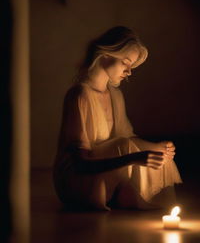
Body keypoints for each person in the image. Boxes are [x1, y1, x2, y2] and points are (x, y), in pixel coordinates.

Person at [53, 26, 182, 211]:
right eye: (126, 63)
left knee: (161, 155)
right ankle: (120, 197)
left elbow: (127, 138)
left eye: (132, 66)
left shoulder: (115, 95)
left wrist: (156, 148)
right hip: (77, 178)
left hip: (107, 168)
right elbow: (81, 163)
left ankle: (140, 200)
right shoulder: (80, 94)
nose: (129, 72)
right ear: (106, 54)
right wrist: (132, 158)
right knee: (123, 146)